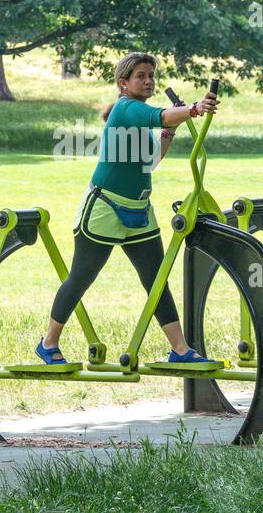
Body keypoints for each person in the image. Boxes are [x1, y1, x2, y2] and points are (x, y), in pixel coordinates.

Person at [35, 52, 219, 365]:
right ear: (124, 83)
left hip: (139, 211)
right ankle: (48, 343)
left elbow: (151, 161)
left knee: (155, 279)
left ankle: (180, 349)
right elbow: (158, 116)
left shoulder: (135, 118)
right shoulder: (126, 108)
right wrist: (193, 109)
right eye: (141, 76)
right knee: (81, 277)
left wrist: (171, 131)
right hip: (105, 209)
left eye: (151, 76)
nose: (148, 81)